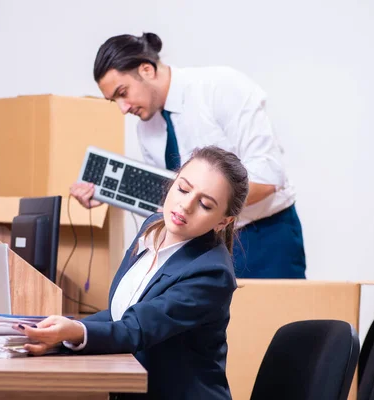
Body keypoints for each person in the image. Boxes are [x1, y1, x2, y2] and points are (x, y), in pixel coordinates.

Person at [16, 146, 248, 400]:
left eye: (204, 204)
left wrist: (76, 332)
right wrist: (62, 332)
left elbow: (136, 327)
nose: (186, 205)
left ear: (223, 221)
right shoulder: (152, 227)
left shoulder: (212, 273)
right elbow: (120, 314)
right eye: (183, 189)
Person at [70, 32, 306, 279]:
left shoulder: (220, 87)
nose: (123, 108)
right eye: (114, 100)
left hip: (264, 236)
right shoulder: (147, 128)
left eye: (123, 92)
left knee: (275, 318)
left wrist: (203, 209)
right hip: (203, 242)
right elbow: (169, 196)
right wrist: (110, 193)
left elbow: (268, 177)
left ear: (147, 70)